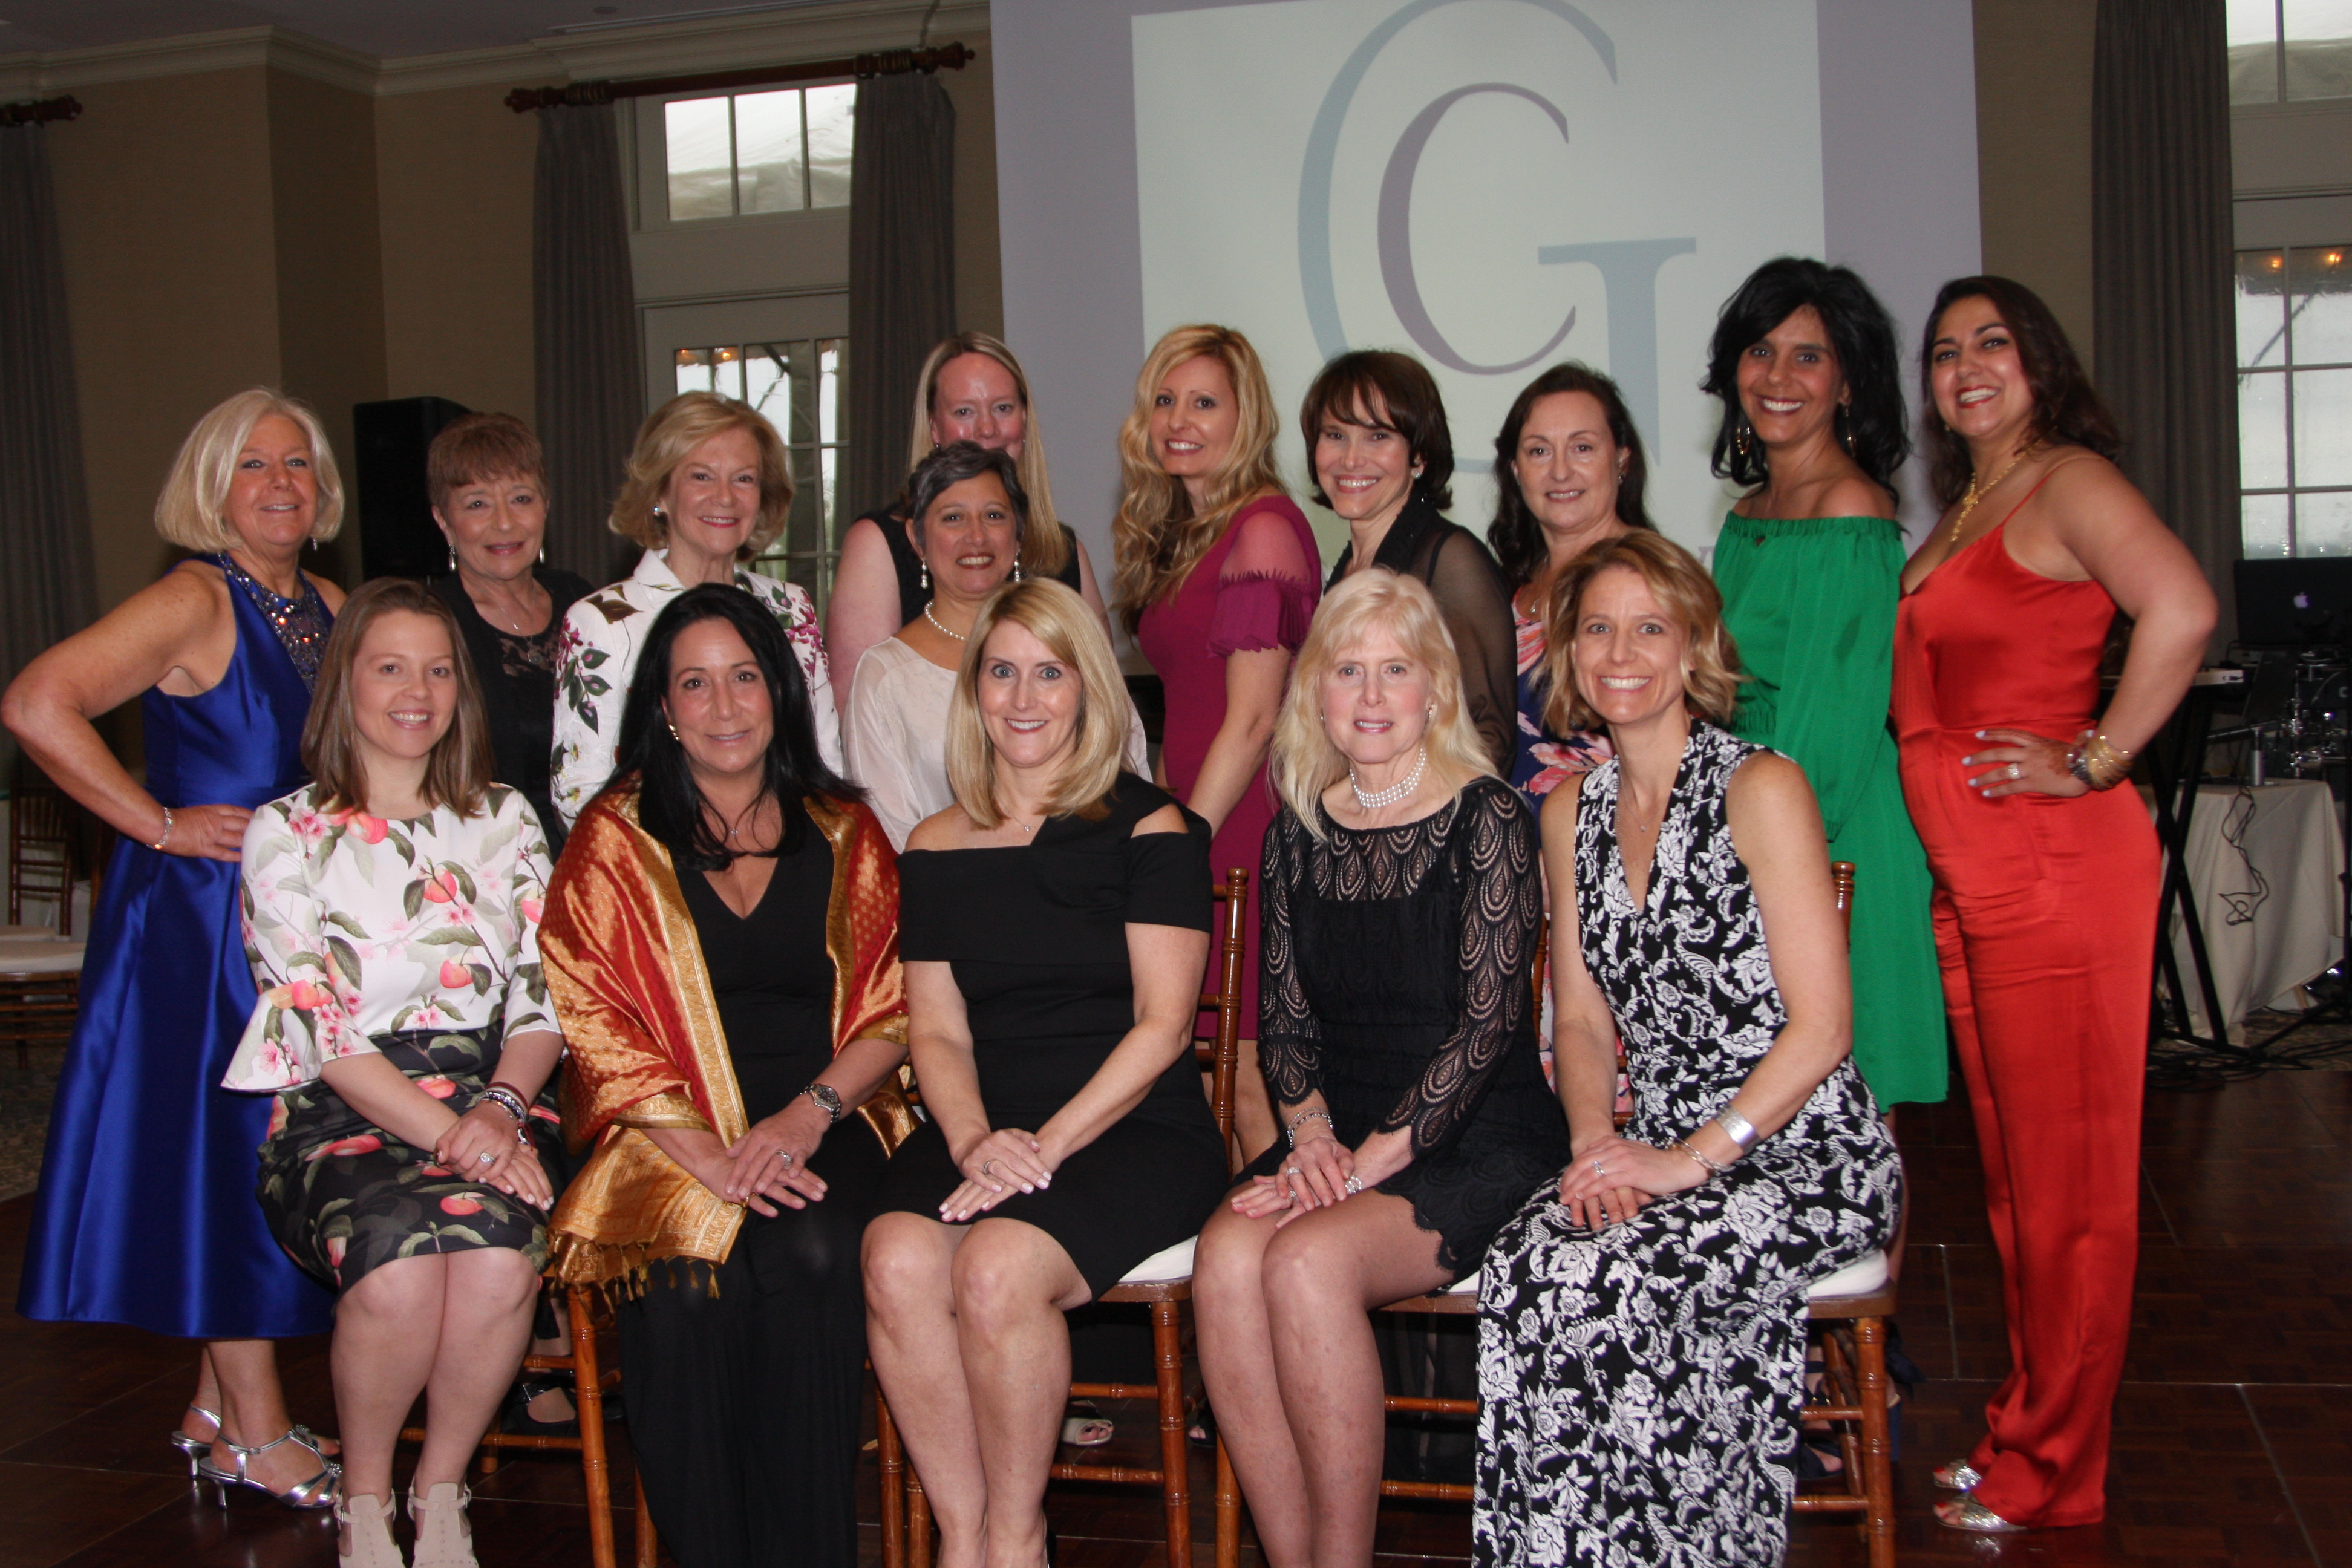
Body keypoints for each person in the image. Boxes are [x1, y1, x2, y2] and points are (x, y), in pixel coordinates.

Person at [1475, 531, 1901, 1568]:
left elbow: (1823, 1027)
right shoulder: (1569, 811)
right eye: (1597, 629)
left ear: (1694, 645)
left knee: (1614, 1283)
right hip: (1652, 1140)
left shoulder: (1761, 786)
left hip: (1800, 1150)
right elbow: (1579, 1019)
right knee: (1525, 1268)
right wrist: (1593, 1145)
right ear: (1568, 652)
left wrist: (1692, 1160)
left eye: (1649, 628)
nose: (1620, 653)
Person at [1895, 276, 2214, 1533]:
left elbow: (2182, 606)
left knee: (2071, 1196)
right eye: (1944, 352)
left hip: (2054, 872)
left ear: (2040, 362)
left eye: (1993, 343)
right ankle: (2026, 1425)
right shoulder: (1974, 502)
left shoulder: (2069, 480)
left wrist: (2094, 758)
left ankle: (2057, 1473)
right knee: (2019, 1191)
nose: (1966, 366)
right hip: (1976, 882)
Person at [4, 388, 343, 1508]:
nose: (280, 483)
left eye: (297, 463)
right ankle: (256, 1428)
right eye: (253, 465)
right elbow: (37, 703)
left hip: (298, 919)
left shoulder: (331, 605)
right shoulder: (193, 600)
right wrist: (157, 823)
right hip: (201, 925)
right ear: (211, 488)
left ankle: (211, 1407)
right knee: (230, 1160)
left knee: (274, 1152)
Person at [1192, 569, 1566, 1568]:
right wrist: (1313, 1139)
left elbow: (1486, 1030)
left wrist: (1359, 1166)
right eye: (1346, 669)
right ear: (1314, 691)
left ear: (1434, 688)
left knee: (1305, 1263)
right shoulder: (1296, 831)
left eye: (1395, 669)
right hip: (1339, 1134)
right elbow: (1284, 1025)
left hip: (1475, 1132)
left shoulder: (1488, 816)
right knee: (1225, 1256)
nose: (1369, 694)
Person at [543, 584, 913, 1568]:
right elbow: (593, 1016)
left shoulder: (844, 828)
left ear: (779, 691)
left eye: (744, 677)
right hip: (667, 1130)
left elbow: (893, 1009)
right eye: (695, 684)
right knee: (686, 1285)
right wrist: (709, 1157)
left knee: (814, 1254)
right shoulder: (613, 838)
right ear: (663, 708)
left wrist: (805, 1115)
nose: (723, 705)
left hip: (830, 1114)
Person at [863, 580, 1228, 1568]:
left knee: (996, 1268)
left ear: (1089, 688)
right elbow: (937, 1032)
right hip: (984, 1121)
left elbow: (1162, 1028)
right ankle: (965, 1531)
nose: (1024, 699)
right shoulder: (933, 844)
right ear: (974, 690)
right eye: (1002, 672)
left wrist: (1043, 1149)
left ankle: (1020, 1536)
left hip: (1131, 1126)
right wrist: (974, 1140)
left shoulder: (1151, 830)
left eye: (1050, 673)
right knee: (894, 1258)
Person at [224, 577, 564, 1567]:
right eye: (390, 668)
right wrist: (459, 1134)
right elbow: (323, 1031)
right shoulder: (286, 832)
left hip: (498, 1094)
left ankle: (442, 1489)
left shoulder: (506, 819)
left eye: (438, 670)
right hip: (344, 1107)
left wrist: (499, 1109)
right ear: (346, 684)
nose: (417, 692)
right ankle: (367, 1502)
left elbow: (545, 998)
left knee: (500, 1263)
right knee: (401, 1274)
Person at [1701, 257, 1948, 1111]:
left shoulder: (1850, 511)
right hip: (1758, 818)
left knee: (1850, 1115)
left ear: (1847, 384)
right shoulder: (1749, 515)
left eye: (1808, 357)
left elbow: (1830, 732)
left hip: (1829, 832)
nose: (1778, 377)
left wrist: (1754, 853)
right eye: (1760, 351)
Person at [1114, 322, 1321, 1161]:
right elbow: (1185, 706)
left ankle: (1288, 1228)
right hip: (1197, 816)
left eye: (1204, 402)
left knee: (1249, 1071)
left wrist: (1182, 842)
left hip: (1242, 825)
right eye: (1165, 400)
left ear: (1247, 417)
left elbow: (1254, 720)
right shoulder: (1186, 534)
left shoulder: (1262, 529)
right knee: (1209, 1070)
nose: (1179, 420)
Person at [551, 391, 838, 828]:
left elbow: (825, 763)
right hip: (657, 861)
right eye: (702, 477)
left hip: (789, 847)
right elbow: (579, 798)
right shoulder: (603, 622)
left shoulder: (790, 609)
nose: (725, 497)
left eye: (744, 479)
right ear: (660, 494)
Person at [846, 441, 1148, 851]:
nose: (976, 536)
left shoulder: (1073, 643)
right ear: (917, 539)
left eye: (994, 516)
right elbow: (889, 837)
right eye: (953, 518)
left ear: (1019, 533)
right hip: (948, 882)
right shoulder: (885, 676)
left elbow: (1129, 771)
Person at [825, 332, 1110, 709]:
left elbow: (1107, 705)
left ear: (1025, 421)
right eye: (964, 412)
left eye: (1003, 408)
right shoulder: (879, 542)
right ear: (934, 428)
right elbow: (858, 714)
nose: (987, 429)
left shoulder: (1065, 551)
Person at [1311, 350, 1515, 774]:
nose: (1350, 459)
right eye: (1335, 435)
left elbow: (1491, 738)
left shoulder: (1452, 560)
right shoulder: (1349, 565)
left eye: (1377, 436)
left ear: (1419, 456)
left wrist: (1405, 808)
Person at [1486, 363, 1655, 807]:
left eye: (1582, 448)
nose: (1560, 472)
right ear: (1515, 469)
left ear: (1621, 459)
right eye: (1539, 451)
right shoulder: (1506, 587)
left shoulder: (1653, 579)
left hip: (1610, 835)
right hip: (1506, 839)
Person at [426, 412, 592, 855]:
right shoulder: (430, 622)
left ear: (546, 506)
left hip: (600, 854)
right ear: (443, 520)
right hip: (489, 860)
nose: (504, 522)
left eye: (521, 499)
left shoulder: (582, 602)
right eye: (477, 504)